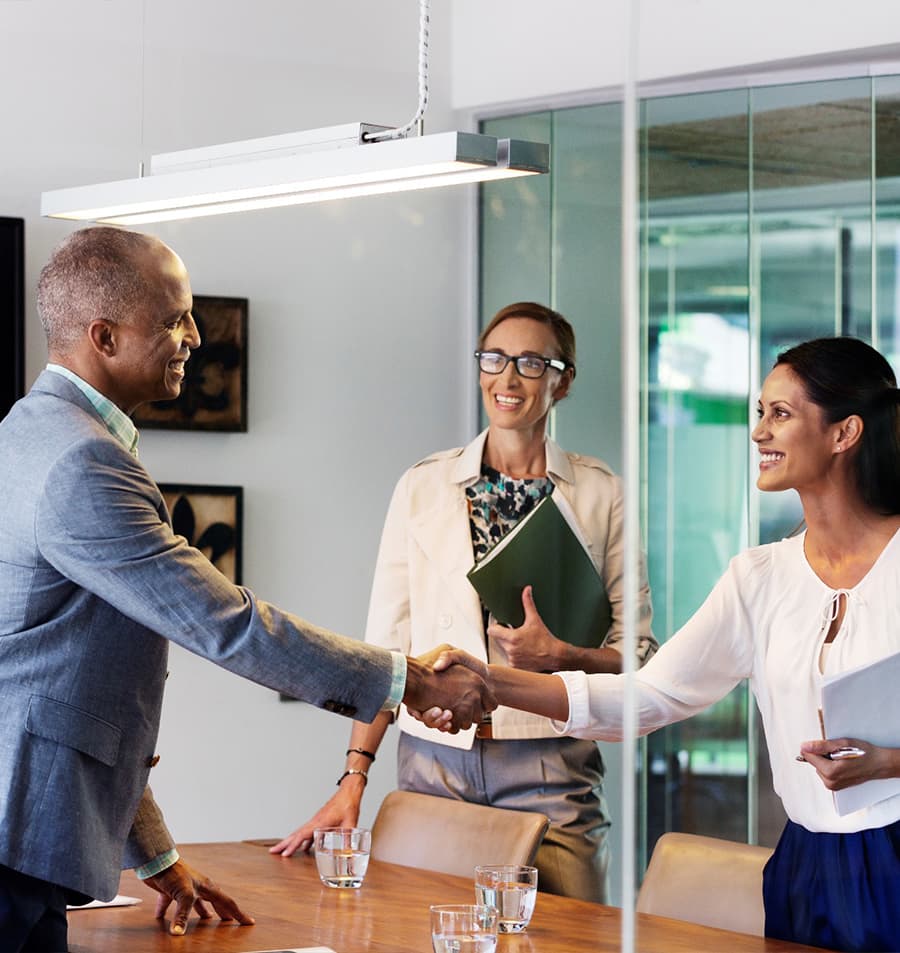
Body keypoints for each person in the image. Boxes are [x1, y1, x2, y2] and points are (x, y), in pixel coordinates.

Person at [0, 226, 494, 953]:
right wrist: (408, 680)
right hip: (18, 849)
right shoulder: (82, 463)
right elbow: (224, 623)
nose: (195, 336)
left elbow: (66, 685)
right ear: (103, 337)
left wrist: (158, 857)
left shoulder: (28, 431)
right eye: (174, 319)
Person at [422, 336, 900, 952]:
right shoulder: (758, 577)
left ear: (845, 433)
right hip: (804, 865)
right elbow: (648, 698)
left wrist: (890, 764)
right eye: (760, 412)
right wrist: (491, 683)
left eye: (780, 414)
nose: (758, 433)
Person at [272, 301, 657, 902]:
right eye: (494, 359)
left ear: (564, 380)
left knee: (570, 942)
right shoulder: (422, 486)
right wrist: (354, 780)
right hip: (433, 762)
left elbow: (638, 657)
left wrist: (560, 655)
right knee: (429, 932)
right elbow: (386, 652)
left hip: (550, 764)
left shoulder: (603, 495)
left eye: (532, 362)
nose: (508, 378)